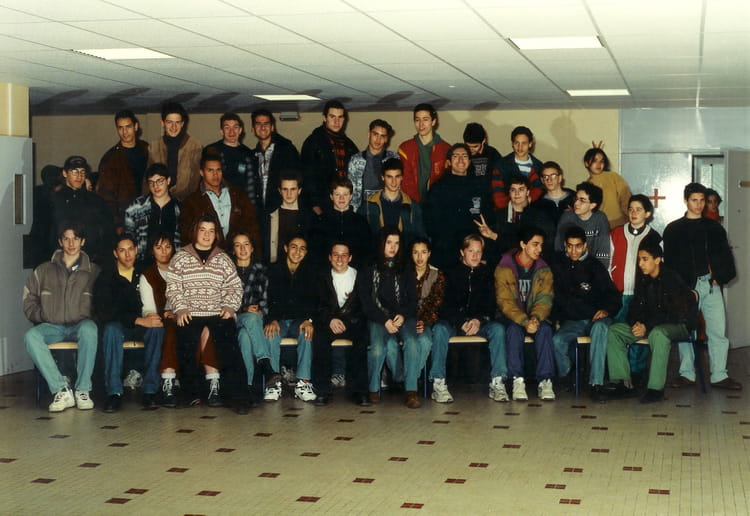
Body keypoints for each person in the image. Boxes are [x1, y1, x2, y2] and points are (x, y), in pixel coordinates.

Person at [166, 213, 249, 413]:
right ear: (195, 232)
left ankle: (237, 397)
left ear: (216, 234)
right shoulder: (180, 257)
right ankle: (192, 393)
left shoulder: (223, 258)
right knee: (185, 343)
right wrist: (180, 308)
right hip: (190, 312)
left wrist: (229, 307)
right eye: (203, 230)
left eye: (211, 231)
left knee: (229, 348)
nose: (207, 235)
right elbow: (173, 287)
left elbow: (235, 287)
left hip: (217, 312)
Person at [663, 183, 741, 391]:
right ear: (686, 201)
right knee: (686, 330)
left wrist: (719, 277)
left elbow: (725, 256)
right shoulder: (673, 229)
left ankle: (719, 374)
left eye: (702, 201)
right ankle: (686, 373)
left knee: (717, 330)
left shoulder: (714, 228)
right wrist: (678, 288)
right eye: (694, 200)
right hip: (686, 287)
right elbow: (669, 263)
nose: (698, 205)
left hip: (710, 284)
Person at [23, 221, 101, 412]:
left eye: (75, 238)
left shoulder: (94, 272)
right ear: (60, 242)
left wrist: (93, 317)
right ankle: (61, 389)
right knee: (31, 336)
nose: (71, 243)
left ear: (83, 241)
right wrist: (42, 315)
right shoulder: (43, 270)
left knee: (90, 330)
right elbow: (28, 299)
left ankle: (82, 390)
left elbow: (103, 303)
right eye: (66, 239)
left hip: (81, 324)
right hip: (53, 326)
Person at [606, 243, 698, 403]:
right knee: (615, 331)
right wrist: (636, 324)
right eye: (639, 259)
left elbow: (673, 313)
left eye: (645, 259)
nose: (640, 263)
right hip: (650, 326)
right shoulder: (643, 278)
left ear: (657, 260)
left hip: (678, 325)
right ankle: (623, 384)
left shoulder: (671, 278)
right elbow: (634, 307)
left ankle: (656, 390)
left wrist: (646, 326)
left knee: (658, 334)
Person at [431, 235, 506, 402]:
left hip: (478, 323)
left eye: (479, 252)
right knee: (439, 329)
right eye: (471, 251)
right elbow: (444, 306)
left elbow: (490, 306)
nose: (475, 255)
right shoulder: (449, 273)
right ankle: (438, 382)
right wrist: (461, 322)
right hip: (454, 322)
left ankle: (498, 382)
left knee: (498, 330)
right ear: (462, 252)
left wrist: (479, 320)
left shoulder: (487, 274)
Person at [551, 226, 621, 402]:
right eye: (570, 246)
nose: (573, 251)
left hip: (597, 319)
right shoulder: (559, 266)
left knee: (599, 330)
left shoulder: (595, 266)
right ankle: (568, 376)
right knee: (557, 340)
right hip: (574, 320)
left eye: (578, 246)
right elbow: (561, 300)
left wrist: (606, 310)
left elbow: (613, 296)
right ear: (565, 245)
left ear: (585, 246)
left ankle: (596, 384)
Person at [96, 235, 164, 412]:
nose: (127, 255)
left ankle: (150, 390)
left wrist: (151, 317)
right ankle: (114, 392)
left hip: (142, 323)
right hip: (120, 325)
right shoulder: (106, 276)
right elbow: (105, 312)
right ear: (115, 253)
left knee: (157, 328)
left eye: (131, 249)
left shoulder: (145, 272)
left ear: (136, 250)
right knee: (110, 330)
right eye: (122, 250)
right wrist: (136, 319)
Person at [359, 227, 423, 408]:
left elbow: (413, 300)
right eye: (389, 243)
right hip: (378, 316)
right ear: (382, 243)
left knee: (412, 342)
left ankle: (411, 392)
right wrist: (384, 320)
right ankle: (373, 389)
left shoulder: (405, 266)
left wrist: (402, 315)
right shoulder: (368, 266)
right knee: (377, 348)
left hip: (402, 316)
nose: (393, 247)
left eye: (396, 243)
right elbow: (365, 301)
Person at [495, 226, 555, 401]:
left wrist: (535, 318)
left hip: (535, 318)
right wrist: (524, 321)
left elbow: (545, 300)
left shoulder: (544, 269)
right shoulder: (504, 267)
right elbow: (505, 302)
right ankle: (517, 380)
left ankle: (545, 380)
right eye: (535, 244)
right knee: (513, 331)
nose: (539, 249)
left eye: (541, 245)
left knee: (545, 330)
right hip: (512, 317)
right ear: (523, 244)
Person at [311, 242, 371, 406]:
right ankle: (323, 391)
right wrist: (330, 319)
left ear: (350, 258)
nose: (340, 259)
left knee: (361, 339)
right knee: (319, 339)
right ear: (330, 257)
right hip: (330, 321)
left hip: (353, 321)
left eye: (344, 255)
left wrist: (350, 320)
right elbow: (317, 304)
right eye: (336, 255)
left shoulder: (359, 276)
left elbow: (364, 305)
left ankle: (359, 391)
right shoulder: (322, 277)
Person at [609, 195, 662, 379]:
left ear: (647, 213)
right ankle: (618, 374)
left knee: (638, 333)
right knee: (616, 332)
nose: (633, 213)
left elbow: (657, 270)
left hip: (642, 296)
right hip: (619, 294)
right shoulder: (616, 233)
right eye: (631, 209)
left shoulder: (654, 237)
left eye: (639, 209)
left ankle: (636, 371)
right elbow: (608, 263)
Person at [263, 234, 318, 402]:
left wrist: (308, 320)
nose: (297, 252)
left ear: (306, 252)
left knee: (307, 333)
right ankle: (274, 383)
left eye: (302, 248)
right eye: (294, 247)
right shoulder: (273, 270)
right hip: (278, 320)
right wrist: (271, 319)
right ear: (286, 248)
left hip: (298, 321)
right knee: (270, 333)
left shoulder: (311, 272)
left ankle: (303, 383)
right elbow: (266, 298)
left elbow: (315, 300)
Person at [423, 143, 493, 270]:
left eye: (464, 156)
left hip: (472, 250)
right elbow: (430, 221)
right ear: (449, 161)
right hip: (445, 250)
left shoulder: (480, 187)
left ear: (470, 161)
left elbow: (488, 219)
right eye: (456, 156)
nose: (460, 160)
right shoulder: (438, 187)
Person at [230, 231, 281, 404]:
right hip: (233, 319)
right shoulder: (227, 270)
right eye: (238, 245)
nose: (243, 249)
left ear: (252, 248)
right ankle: (266, 366)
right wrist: (244, 308)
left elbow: (266, 302)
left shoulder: (262, 271)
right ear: (233, 250)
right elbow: (222, 302)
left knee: (245, 336)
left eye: (246, 244)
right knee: (250, 318)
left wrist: (259, 312)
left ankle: (249, 386)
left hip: (255, 322)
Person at [179, 154, 262, 254]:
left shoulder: (238, 195)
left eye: (218, 170)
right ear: (201, 172)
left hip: (238, 254)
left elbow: (252, 226)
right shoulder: (192, 201)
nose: (215, 174)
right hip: (209, 255)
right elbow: (187, 235)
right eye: (210, 170)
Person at [48, 155, 115, 266]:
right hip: (60, 262)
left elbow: (108, 232)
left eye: (82, 172)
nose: (79, 176)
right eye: (74, 172)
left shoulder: (96, 201)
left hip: (91, 260)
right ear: (65, 173)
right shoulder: (53, 200)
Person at [300, 100, 358, 215]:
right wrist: (315, 206)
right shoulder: (313, 142)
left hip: (344, 204)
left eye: (340, 117)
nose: (336, 121)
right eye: (332, 117)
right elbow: (307, 178)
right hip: (321, 206)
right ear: (324, 118)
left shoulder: (349, 145)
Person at [96, 110, 150, 229]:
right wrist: (117, 224)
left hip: (148, 212)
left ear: (136, 127)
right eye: (120, 128)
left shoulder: (147, 149)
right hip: (125, 217)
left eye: (128, 127)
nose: (124, 132)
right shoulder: (110, 158)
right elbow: (106, 195)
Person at [124, 163, 181, 269]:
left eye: (160, 181)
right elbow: (128, 237)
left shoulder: (179, 207)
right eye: (151, 182)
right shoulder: (136, 207)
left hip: (173, 264)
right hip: (143, 262)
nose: (156, 186)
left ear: (168, 181)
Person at [360, 157, 426, 249]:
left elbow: (420, 239)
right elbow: (361, 238)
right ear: (382, 177)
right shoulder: (368, 205)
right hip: (375, 256)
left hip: (404, 256)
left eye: (397, 176)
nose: (394, 182)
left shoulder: (413, 207)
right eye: (389, 177)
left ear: (402, 177)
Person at [411, 239, 446, 401]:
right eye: (415, 252)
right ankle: (404, 377)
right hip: (406, 320)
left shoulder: (437, 275)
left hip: (425, 321)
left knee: (425, 340)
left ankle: (412, 377)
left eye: (423, 252)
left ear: (429, 254)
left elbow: (435, 304)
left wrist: (423, 321)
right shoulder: (403, 273)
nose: (419, 257)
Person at [310, 177, 372, 270]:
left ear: (351, 196)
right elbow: (315, 252)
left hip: (354, 272)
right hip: (326, 273)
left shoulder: (361, 222)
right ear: (331, 196)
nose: (341, 198)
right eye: (337, 194)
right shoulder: (321, 221)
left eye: (345, 194)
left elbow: (367, 253)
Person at [397, 103, 451, 204]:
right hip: (411, 204)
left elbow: (447, 182)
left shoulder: (446, 149)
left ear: (433, 122)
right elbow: (405, 181)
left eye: (425, 120)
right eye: (417, 120)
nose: (421, 124)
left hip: (437, 204)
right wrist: (416, 206)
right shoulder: (405, 148)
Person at [250, 109, 301, 215]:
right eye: (258, 124)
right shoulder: (251, 155)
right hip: (259, 213)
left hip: (281, 210)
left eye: (266, 123)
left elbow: (297, 180)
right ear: (253, 129)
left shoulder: (287, 151)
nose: (262, 127)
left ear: (272, 127)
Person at [148, 102, 202, 201]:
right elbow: (148, 179)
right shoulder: (154, 146)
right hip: (159, 200)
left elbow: (195, 181)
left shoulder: (194, 146)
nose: (173, 127)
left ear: (182, 124)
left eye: (177, 122)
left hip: (186, 201)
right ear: (162, 123)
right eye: (169, 122)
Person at [555, 182, 610, 270]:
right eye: (576, 199)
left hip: (593, 269)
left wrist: (597, 273)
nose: (576, 203)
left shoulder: (600, 218)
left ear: (592, 205)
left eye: (582, 200)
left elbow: (603, 254)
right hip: (568, 268)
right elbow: (558, 249)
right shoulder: (567, 217)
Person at [263, 169, 314, 264]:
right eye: (285, 189)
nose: (289, 194)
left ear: (299, 190)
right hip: (275, 266)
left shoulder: (309, 216)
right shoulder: (269, 215)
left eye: (293, 189)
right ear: (280, 191)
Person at [347, 119, 399, 212]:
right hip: (361, 211)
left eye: (382, 136)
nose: (378, 140)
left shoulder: (393, 158)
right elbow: (350, 190)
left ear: (386, 139)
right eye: (375, 134)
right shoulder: (356, 160)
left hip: (386, 209)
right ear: (369, 134)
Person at [203, 113, 256, 200]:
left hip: (241, 202)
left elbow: (251, 185)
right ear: (221, 131)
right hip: (216, 200)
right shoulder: (212, 150)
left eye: (235, 127)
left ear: (240, 130)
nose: (232, 132)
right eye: (227, 128)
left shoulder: (248, 154)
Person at [490, 126, 544, 210]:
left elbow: (540, 192)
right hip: (506, 212)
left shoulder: (538, 166)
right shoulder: (501, 165)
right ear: (512, 143)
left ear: (530, 144)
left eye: (524, 143)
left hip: (533, 212)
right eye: (516, 143)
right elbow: (498, 199)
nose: (520, 147)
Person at [584, 147, 631, 229]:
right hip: (598, 227)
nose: (599, 164)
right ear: (586, 163)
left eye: (602, 161)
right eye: (595, 161)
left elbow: (626, 200)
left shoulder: (613, 177)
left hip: (620, 225)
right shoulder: (586, 185)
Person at [533, 161, 575, 227]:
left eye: (553, 176)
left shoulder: (575, 200)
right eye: (545, 176)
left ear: (560, 178)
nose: (549, 180)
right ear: (542, 180)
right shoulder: (538, 205)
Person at [463, 122, 501, 189]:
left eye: (475, 146)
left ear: (483, 141)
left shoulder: (492, 154)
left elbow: (499, 178)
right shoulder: (461, 153)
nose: (471, 150)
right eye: (468, 146)